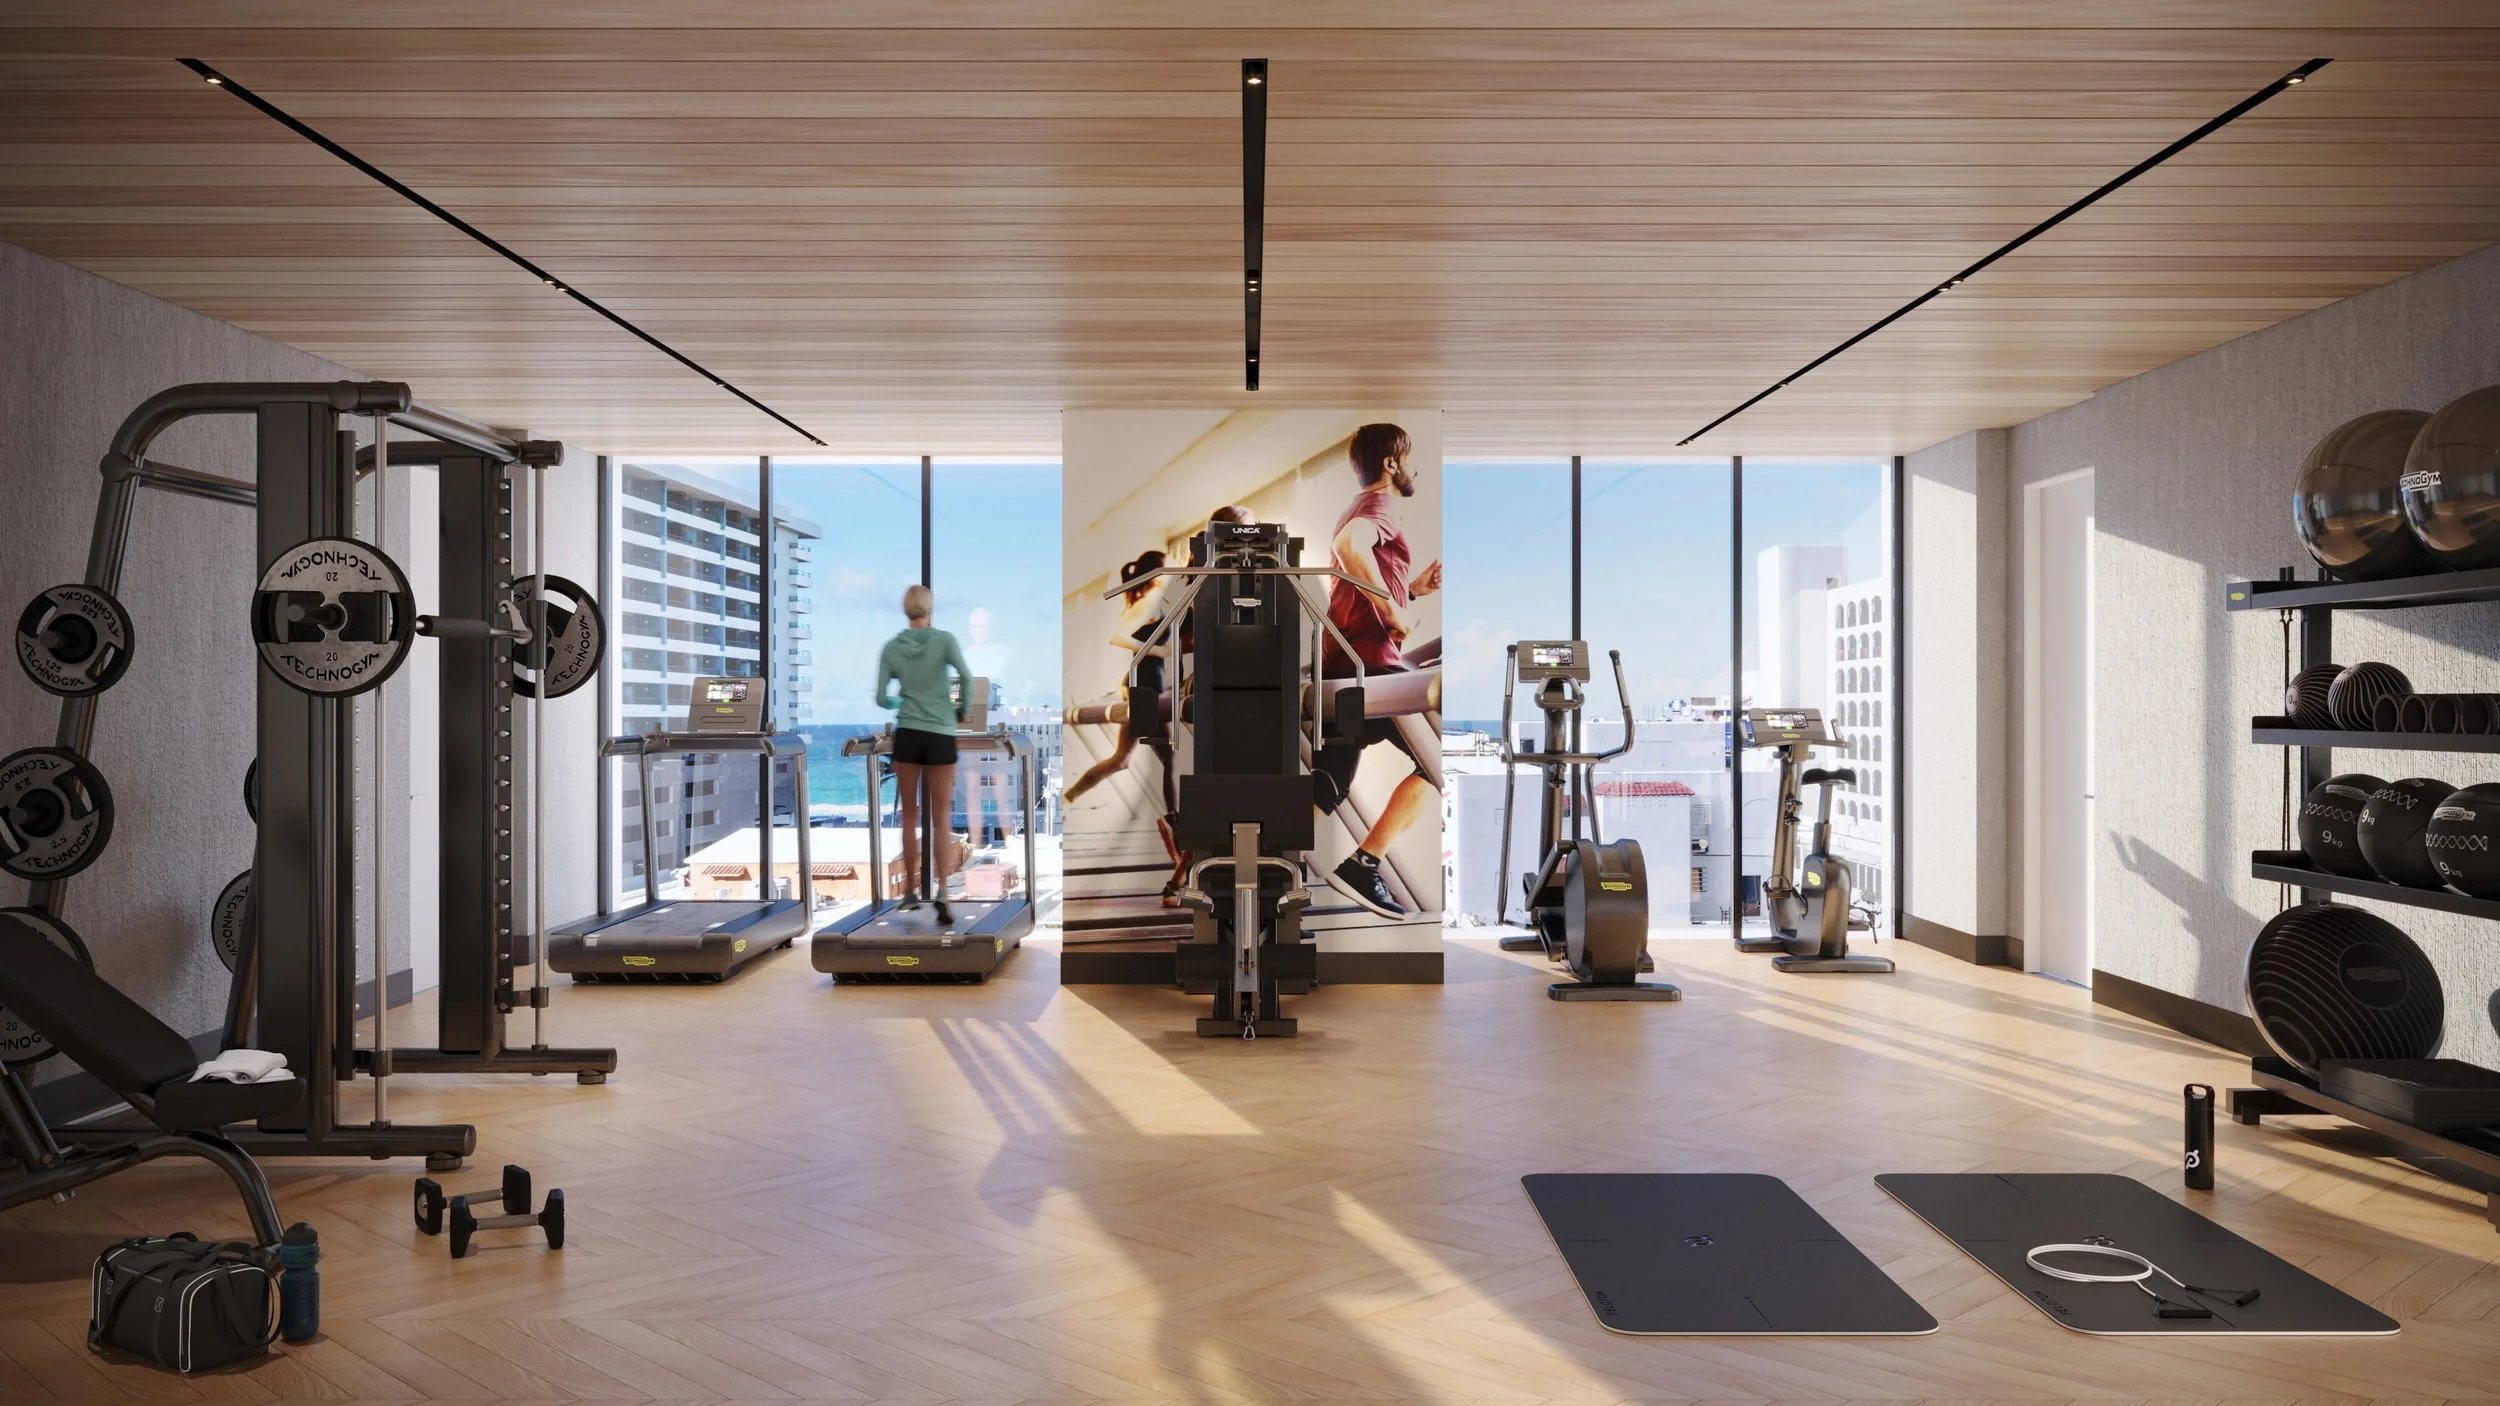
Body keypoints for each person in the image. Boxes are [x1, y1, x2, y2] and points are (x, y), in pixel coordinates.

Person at [1318, 424, 1442, 918]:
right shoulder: (1380, 506)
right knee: (1436, 764)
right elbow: (1352, 547)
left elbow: (1351, 584)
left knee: (1329, 782)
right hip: (1372, 664)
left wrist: (1409, 590)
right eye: (1407, 459)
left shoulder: (1356, 505)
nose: (1410, 469)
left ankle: (1274, 873)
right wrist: (1393, 610)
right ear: (1391, 464)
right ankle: (1364, 864)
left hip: (1342, 660)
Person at [1064, 550, 1185, 901]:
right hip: (1145, 687)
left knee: (1122, 759)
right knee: (1171, 758)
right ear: (1157, 572)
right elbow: (1119, 636)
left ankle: (1068, 798)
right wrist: (1158, 652)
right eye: (1171, 565)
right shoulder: (1149, 598)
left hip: (1143, 685)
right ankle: (1174, 822)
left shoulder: (1158, 597)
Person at [875, 583, 971, 926]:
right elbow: (966, 676)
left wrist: (905, 701)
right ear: (930, 608)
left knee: (910, 815)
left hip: (909, 733)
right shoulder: (944, 640)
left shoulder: (891, 648)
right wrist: (960, 709)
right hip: (941, 732)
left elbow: (882, 698)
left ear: (905, 609)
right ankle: (943, 891)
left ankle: (911, 892)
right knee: (941, 818)